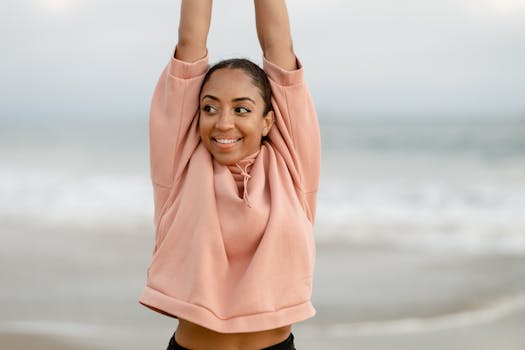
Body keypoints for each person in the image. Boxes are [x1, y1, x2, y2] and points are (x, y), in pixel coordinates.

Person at [139, 0, 321, 349]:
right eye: (209, 108)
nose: (223, 123)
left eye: (241, 109)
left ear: (268, 121)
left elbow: (279, 46)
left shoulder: (291, 166)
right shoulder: (180, 166)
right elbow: (190, 42)